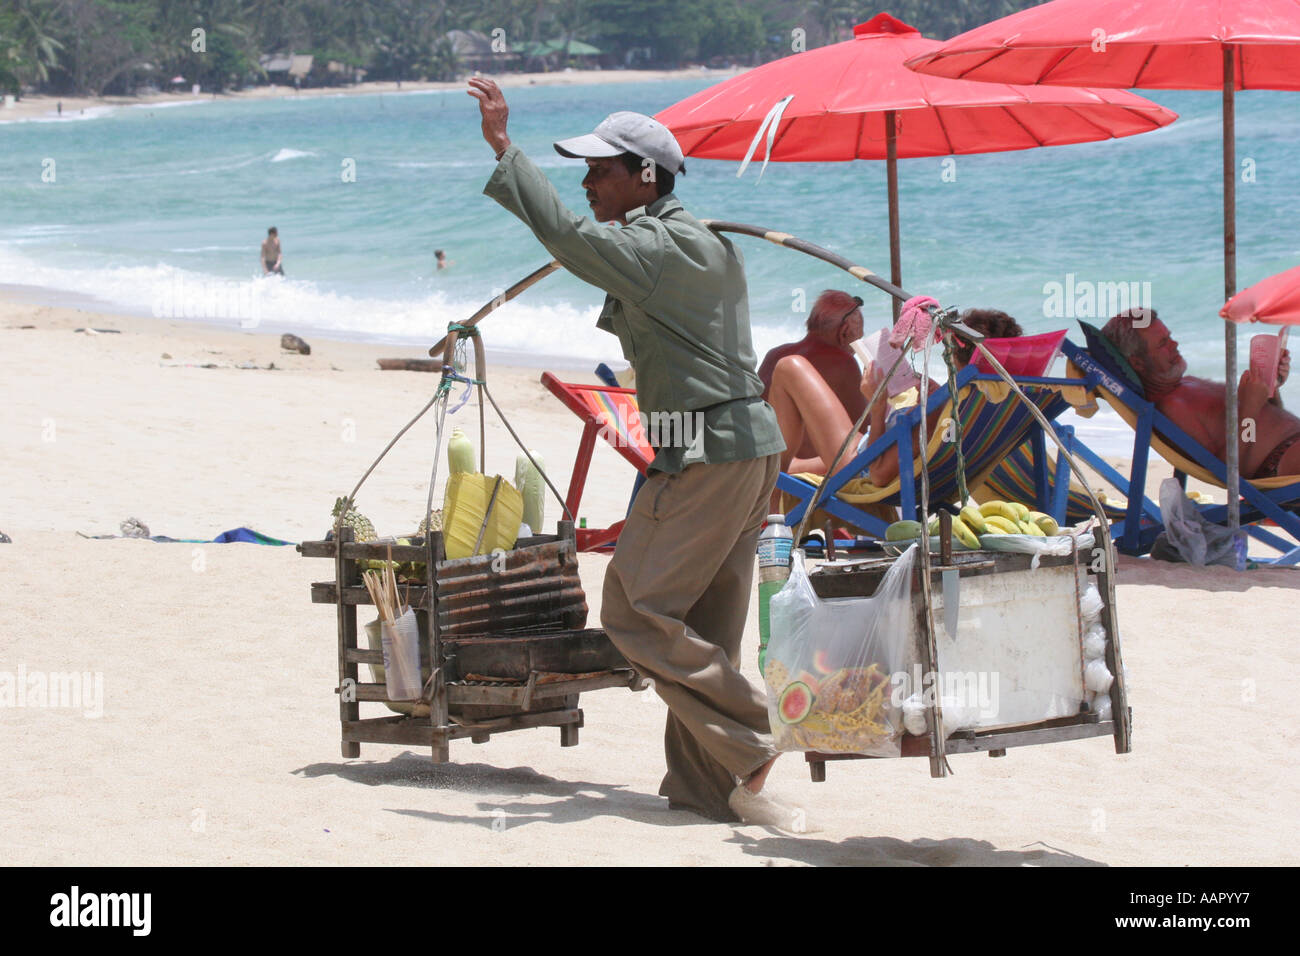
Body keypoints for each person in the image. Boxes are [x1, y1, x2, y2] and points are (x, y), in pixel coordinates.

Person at [467, 77, 797, 829]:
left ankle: (754, 730)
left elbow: (572, 242)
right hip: (745, 447)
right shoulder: (694, 239)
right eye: (583, 171)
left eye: (599, 170)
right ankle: (708, 789)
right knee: (706, 629)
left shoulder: (656, 242)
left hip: (708, 449)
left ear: (646, 176)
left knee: (633, 609)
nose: (587, 182)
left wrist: (504, 150)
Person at [767, 309, 1022, 486]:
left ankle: (769, 505)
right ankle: (768, 472)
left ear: (957, 353)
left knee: (790, 366)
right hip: (885, 453)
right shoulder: (995, 403)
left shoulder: (940, 412)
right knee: (794, 467)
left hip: (858, 462)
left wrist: (877, 408)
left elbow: (877, 475)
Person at [1101, 308, 1298, 479]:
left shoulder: (1189, 384)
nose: (1174, 344)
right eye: (1162, 343)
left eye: (1169, 337)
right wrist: (1250, 407)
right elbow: (1227, 470)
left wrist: (1270, 388)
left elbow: (1261, 425)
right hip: (1280, 461)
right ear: (1137, 363)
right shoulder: (1172, 407)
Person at [757, 291, 868, 461]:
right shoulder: (843, 363)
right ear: (844, 332)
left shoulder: (774, 354)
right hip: (799, 472)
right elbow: (865, 434)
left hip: (763, 463)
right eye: (860, 335)